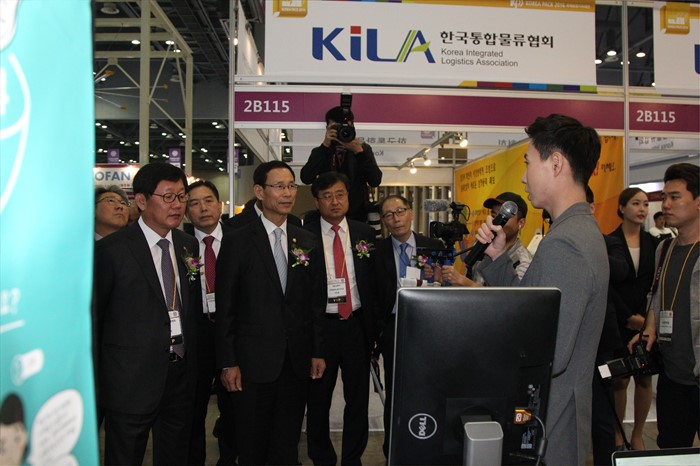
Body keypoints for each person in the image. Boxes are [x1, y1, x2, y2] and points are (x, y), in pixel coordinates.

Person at [475, 114, 609, 466]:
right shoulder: (575, 231)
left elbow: (549, 350)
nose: (523, 176)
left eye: (528, 162)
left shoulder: (566, 243)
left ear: (556, 164)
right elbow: (530, 304)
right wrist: (498, 258)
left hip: (550, 425)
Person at [216, 161, 327, 465]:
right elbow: (225, 307)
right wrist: (228, 361)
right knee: (251, 444)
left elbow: (315, 303)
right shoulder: (237, 240)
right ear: (259, 191)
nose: (287, 193)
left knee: (287, 443)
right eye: (279, 186)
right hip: (252, 363)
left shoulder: (306, 240)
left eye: (291, 186)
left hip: (295, 360)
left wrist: (317, 351)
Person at [95, 163, 201, 466]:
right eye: (167, 197)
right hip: (130, 380)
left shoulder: (187, 244)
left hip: (179, 376)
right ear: (141, 201)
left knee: (175, 455)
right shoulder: (112, 250)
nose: (177, 205)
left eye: (181, 196)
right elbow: (95, 321)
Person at [304, 172, 379, 466]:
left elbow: (373, 283)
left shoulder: (364, 233)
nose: (334, 202)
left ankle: (352, 459)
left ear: (348, 197)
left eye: (340, 194)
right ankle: (322, 457)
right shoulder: (305, 235)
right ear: (317, 201)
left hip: (356, 326)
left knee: (358, 399)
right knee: (318, 400)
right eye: (327, 196)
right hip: (321, 328)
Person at [629, 162, 699, 450]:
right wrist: (650, 327)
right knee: (671, 448)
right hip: (672, 376)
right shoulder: (665, 249)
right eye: (665, 197)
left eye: (675, 197)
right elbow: (656, 295)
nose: (666, 204)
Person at [374, 194, 443, 458]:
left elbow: (448, 285)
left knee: (429, 388)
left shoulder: (433, 246)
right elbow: (372, 296)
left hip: (428, 326)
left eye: (400, 211)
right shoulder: (377, 251)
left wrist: (439, 279)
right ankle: (393, 450)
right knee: (395, 392)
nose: (396, 218)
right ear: (384, 221)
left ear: (411, 213)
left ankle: (427, 446)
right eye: (389, 215)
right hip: (393, 327)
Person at [184, 180, 236, 466]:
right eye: (194, 203)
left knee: (235, 407)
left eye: (208, 201)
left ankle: (229, 459)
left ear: (220, 204)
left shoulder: (240, 239)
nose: (203, 208)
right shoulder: (180, 245)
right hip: (197, 334)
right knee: (193, 408)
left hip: (234, 333)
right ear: (186, 211)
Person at [607, 187, 657, 451]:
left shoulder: (654, 243)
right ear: (622, 207)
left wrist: (646, 320)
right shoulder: (610, 241)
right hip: (619, 320)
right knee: (620, 379)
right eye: (636, 203)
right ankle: (618, 433)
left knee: (645, 378)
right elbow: (609, 286)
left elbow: (655, 285)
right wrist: (628, 317)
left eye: (646, 204)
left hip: (646, 322)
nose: (642, 209)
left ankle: (637, 435)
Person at [301, 106, 382, 222]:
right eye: (335, 127)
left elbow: (375, 180)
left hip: (357, 215)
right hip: (327, 215)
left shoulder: (362, 149)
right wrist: (325, 146)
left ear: (352, 127)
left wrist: (359, 153)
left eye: (344, 127)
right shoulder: (322, 151)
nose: (340, 131)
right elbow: (306, 178)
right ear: (327, 128)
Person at [439, 192, 532, 286]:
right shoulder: (483, 246)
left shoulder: (524, 261)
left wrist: (462, 281)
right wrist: (442, 278)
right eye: (494, 216)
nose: (498, 222)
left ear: (521, 223)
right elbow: (468, 285)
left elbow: (512, 294)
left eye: (505, 217)